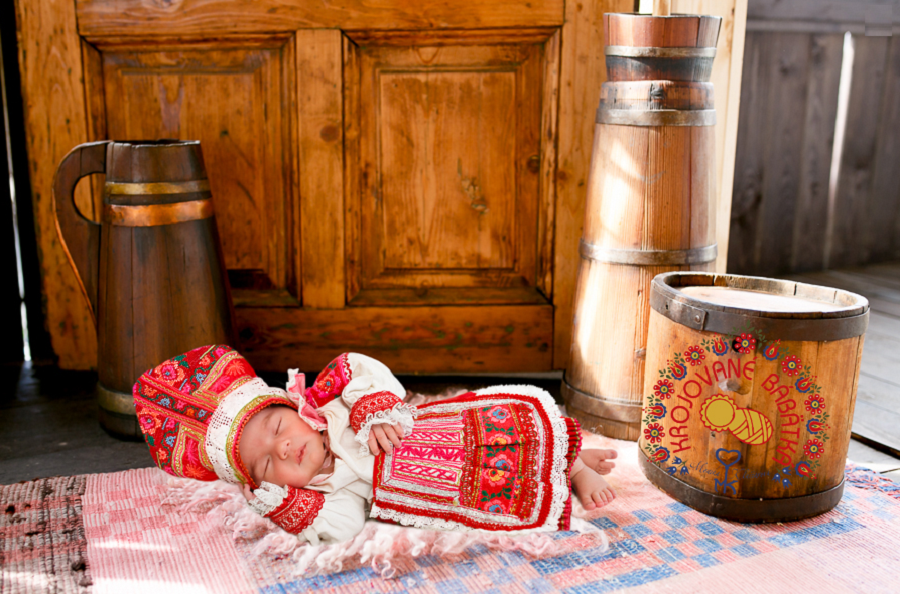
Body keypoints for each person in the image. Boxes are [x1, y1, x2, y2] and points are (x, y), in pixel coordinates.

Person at [133, 345, 617, 545]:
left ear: (296, 408)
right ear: (265, 485)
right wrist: (287, 507)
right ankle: (567, 466)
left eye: (279, 429)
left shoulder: (335, 407)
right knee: (505, 478)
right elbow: (344, 529)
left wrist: (372, 408)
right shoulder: (332, 490)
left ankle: (571, 462)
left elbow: (359, 366)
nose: (282, 450)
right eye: (265, 463)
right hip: (440, 486)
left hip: (439, 429)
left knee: (509, 432)